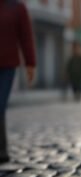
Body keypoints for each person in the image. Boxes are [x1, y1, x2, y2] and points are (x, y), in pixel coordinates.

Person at [0, 0, 35, 163]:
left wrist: (30, 63)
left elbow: (25, 37)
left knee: (0, 104)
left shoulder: (18, 7)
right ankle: (2, 149)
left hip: (7, 66)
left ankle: (1, 149)